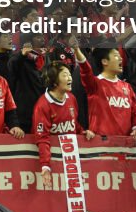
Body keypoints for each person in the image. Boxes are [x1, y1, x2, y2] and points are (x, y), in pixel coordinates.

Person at [32, 60, 94, 189]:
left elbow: (73, 124)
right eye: (65, 75)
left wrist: (83, 132)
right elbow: (42, 138)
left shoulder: (72, 98)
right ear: (55, 81)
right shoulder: (43, 105)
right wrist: (45, 165)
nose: (70, 78)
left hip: (70, 160)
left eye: (69, 74)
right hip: (52, 160)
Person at [74, 46, 136, 139]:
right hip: (101, 145)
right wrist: (77, 50)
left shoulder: (127, 87)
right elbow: (85, 70)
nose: (121, 58)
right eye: (116, 56)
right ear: (105, 61)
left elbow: (135, 112)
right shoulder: (94, 84)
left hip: (125, 145)